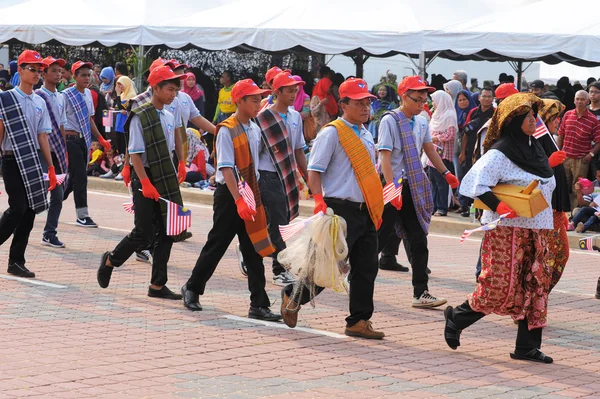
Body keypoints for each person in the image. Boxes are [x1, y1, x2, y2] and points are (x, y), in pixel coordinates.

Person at [445, 93, 556, 364]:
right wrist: (499, 204)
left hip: (538, 229)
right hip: (507, 230)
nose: (534, 120)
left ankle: (526, 347)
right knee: (499, 286)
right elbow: (472, 184)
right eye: (528, 116)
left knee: (536, 287)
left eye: (534, 115)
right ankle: (458, 317)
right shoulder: (501, 151)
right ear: (513, 120)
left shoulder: (535, 148)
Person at [280, 77, 386, 338]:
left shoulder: (366, 133)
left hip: (365, 209)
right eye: (359, 103)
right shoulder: (332, 132)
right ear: (343, 104)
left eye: (368, 102)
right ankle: (292, 296)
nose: (365, 107)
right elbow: (315, 170)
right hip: (340, 208)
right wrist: (318, 200)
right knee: (328, 265)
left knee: (366, 266)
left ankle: (358, 321)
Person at [182, 79, 282, 322]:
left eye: (260, 99)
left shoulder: (255, 128)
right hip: (230, 196)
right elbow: (226, 168)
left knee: (254, 249)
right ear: (240, 101)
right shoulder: (226, 129)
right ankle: (193, 288)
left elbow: (254, 165)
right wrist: (239, 200)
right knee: (217, 244)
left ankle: (259, 304)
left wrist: (252, 196)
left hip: (251, 193)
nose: (259, 103)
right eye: (254, 99)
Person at [96, 65, 188, 300]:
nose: (173, 94)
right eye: (169, 89)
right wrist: (144, 182)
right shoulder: (141, 114)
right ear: (155, 88)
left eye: (175, 90)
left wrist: (181, 161)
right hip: (144, 174)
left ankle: (157, 285)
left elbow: (174, 141)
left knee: (168, 231)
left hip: (164, 176)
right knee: (143, 232)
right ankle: (111, 260)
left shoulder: (168, 115)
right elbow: (135, 152)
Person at [376, 76, 458, 307]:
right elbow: (385, 154)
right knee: (378, 237)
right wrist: (392, 188)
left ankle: (421, 292)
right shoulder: (390, 120)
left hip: (413, 185)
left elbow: (429, 149)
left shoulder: (421, 121)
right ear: (404, 97)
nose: (422, 102)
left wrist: (445, 173)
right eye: (417, 98)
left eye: (424, 98)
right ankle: (354, 277)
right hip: (393, 185)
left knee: (418, 238)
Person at [0, 50, 57, 278]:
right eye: (31, 69)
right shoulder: (5, 98)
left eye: (39, 70)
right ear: (20, 70)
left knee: (31, 211)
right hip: (11, 159)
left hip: (33, 160)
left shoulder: (39, 101)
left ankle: (16, 261)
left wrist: (51, 167)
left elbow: (42, 135)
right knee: (18, 208)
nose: (36, 73)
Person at [252, 71, 309, 286]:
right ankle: (279, 269)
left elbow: (298, 150)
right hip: (268, 175)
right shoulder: (263, 117)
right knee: (279, 224)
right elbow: (255, 151)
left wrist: (307, 176)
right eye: (290, 90)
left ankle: (251, 248)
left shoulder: (295, 116)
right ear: (278, 92)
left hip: (287, 176)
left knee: (279, 221)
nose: (294, 94)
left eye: (296, 90)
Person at [62, 61, 111, 228]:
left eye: (88, 74)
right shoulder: (66, 95)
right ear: (74, 76)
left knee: (74, 178)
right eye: (82, 75)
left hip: (85, 140)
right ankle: (82, 215)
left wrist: (101, 138)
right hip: (71, 139)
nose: (86, 78)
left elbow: (90, 119)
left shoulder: (89, 94)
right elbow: (60, 121)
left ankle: (54, 199)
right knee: (81, 177)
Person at [36, 56, 69, 248]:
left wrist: (63, 150)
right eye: (54, 70)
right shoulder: (38, 96)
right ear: (44, 73)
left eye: (60, 71)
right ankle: (17, 223)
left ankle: (49, 233)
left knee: (57, 194)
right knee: (35, 194)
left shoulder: (61, 97)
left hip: (56, 151)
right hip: (40, 151)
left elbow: (62, 125)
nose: (58, 74)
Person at [538, 99, 570, 291]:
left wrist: (562, 211)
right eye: (554, 117)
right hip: (543, 208)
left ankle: (541, 294)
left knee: (560, 254)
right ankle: (537, 296)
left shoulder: (550, 138)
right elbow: (529, 173)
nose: (558, 121)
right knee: (548, 255)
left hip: (554, 208)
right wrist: (547, 163)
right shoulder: (537, 140)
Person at [557, 90, 600, 209]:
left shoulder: (593, 120)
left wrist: (590, 155)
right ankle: (562, 211)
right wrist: (558, 152)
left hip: (581, 160)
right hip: (565, 157)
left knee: (578, 189)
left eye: (582, 99)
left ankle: (574, 216)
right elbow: (561, 135)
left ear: (587, 101)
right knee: (562, 186)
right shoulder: (567, 115)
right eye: (577, 99)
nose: (579, 101)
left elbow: (598, 142)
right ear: (574, 100)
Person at [457, 87, 495, 217]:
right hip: (471, 152)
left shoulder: (495, 113)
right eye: (484, 96)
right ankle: (468, 207)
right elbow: (465, 134)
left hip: (487, 153)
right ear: (479, 98)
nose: (486, 99)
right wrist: (462, 152)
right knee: (470, 177)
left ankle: (482, 210)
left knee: (484, 181)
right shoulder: (473, 112)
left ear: (492, 99)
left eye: (489, 96)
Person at [428, 90, 457, 216]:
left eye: (434, 101)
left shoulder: (449, 115)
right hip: (432, 152)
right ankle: (433, 206)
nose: (433, 103)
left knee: (441, 182)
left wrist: (435, 138)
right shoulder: (437, 114)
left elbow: (450, 134)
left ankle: (442, 208)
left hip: (443, 153)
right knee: (433, 180)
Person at [453, 90, 477, 213]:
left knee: (470, 176)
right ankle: (463, 204)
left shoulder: (474, 113)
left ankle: (470, 204)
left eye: (465, 99)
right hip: (457, 149)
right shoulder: (454, 113)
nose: (462, 102)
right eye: (460, 100)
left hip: (471, 150)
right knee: (460, 176)